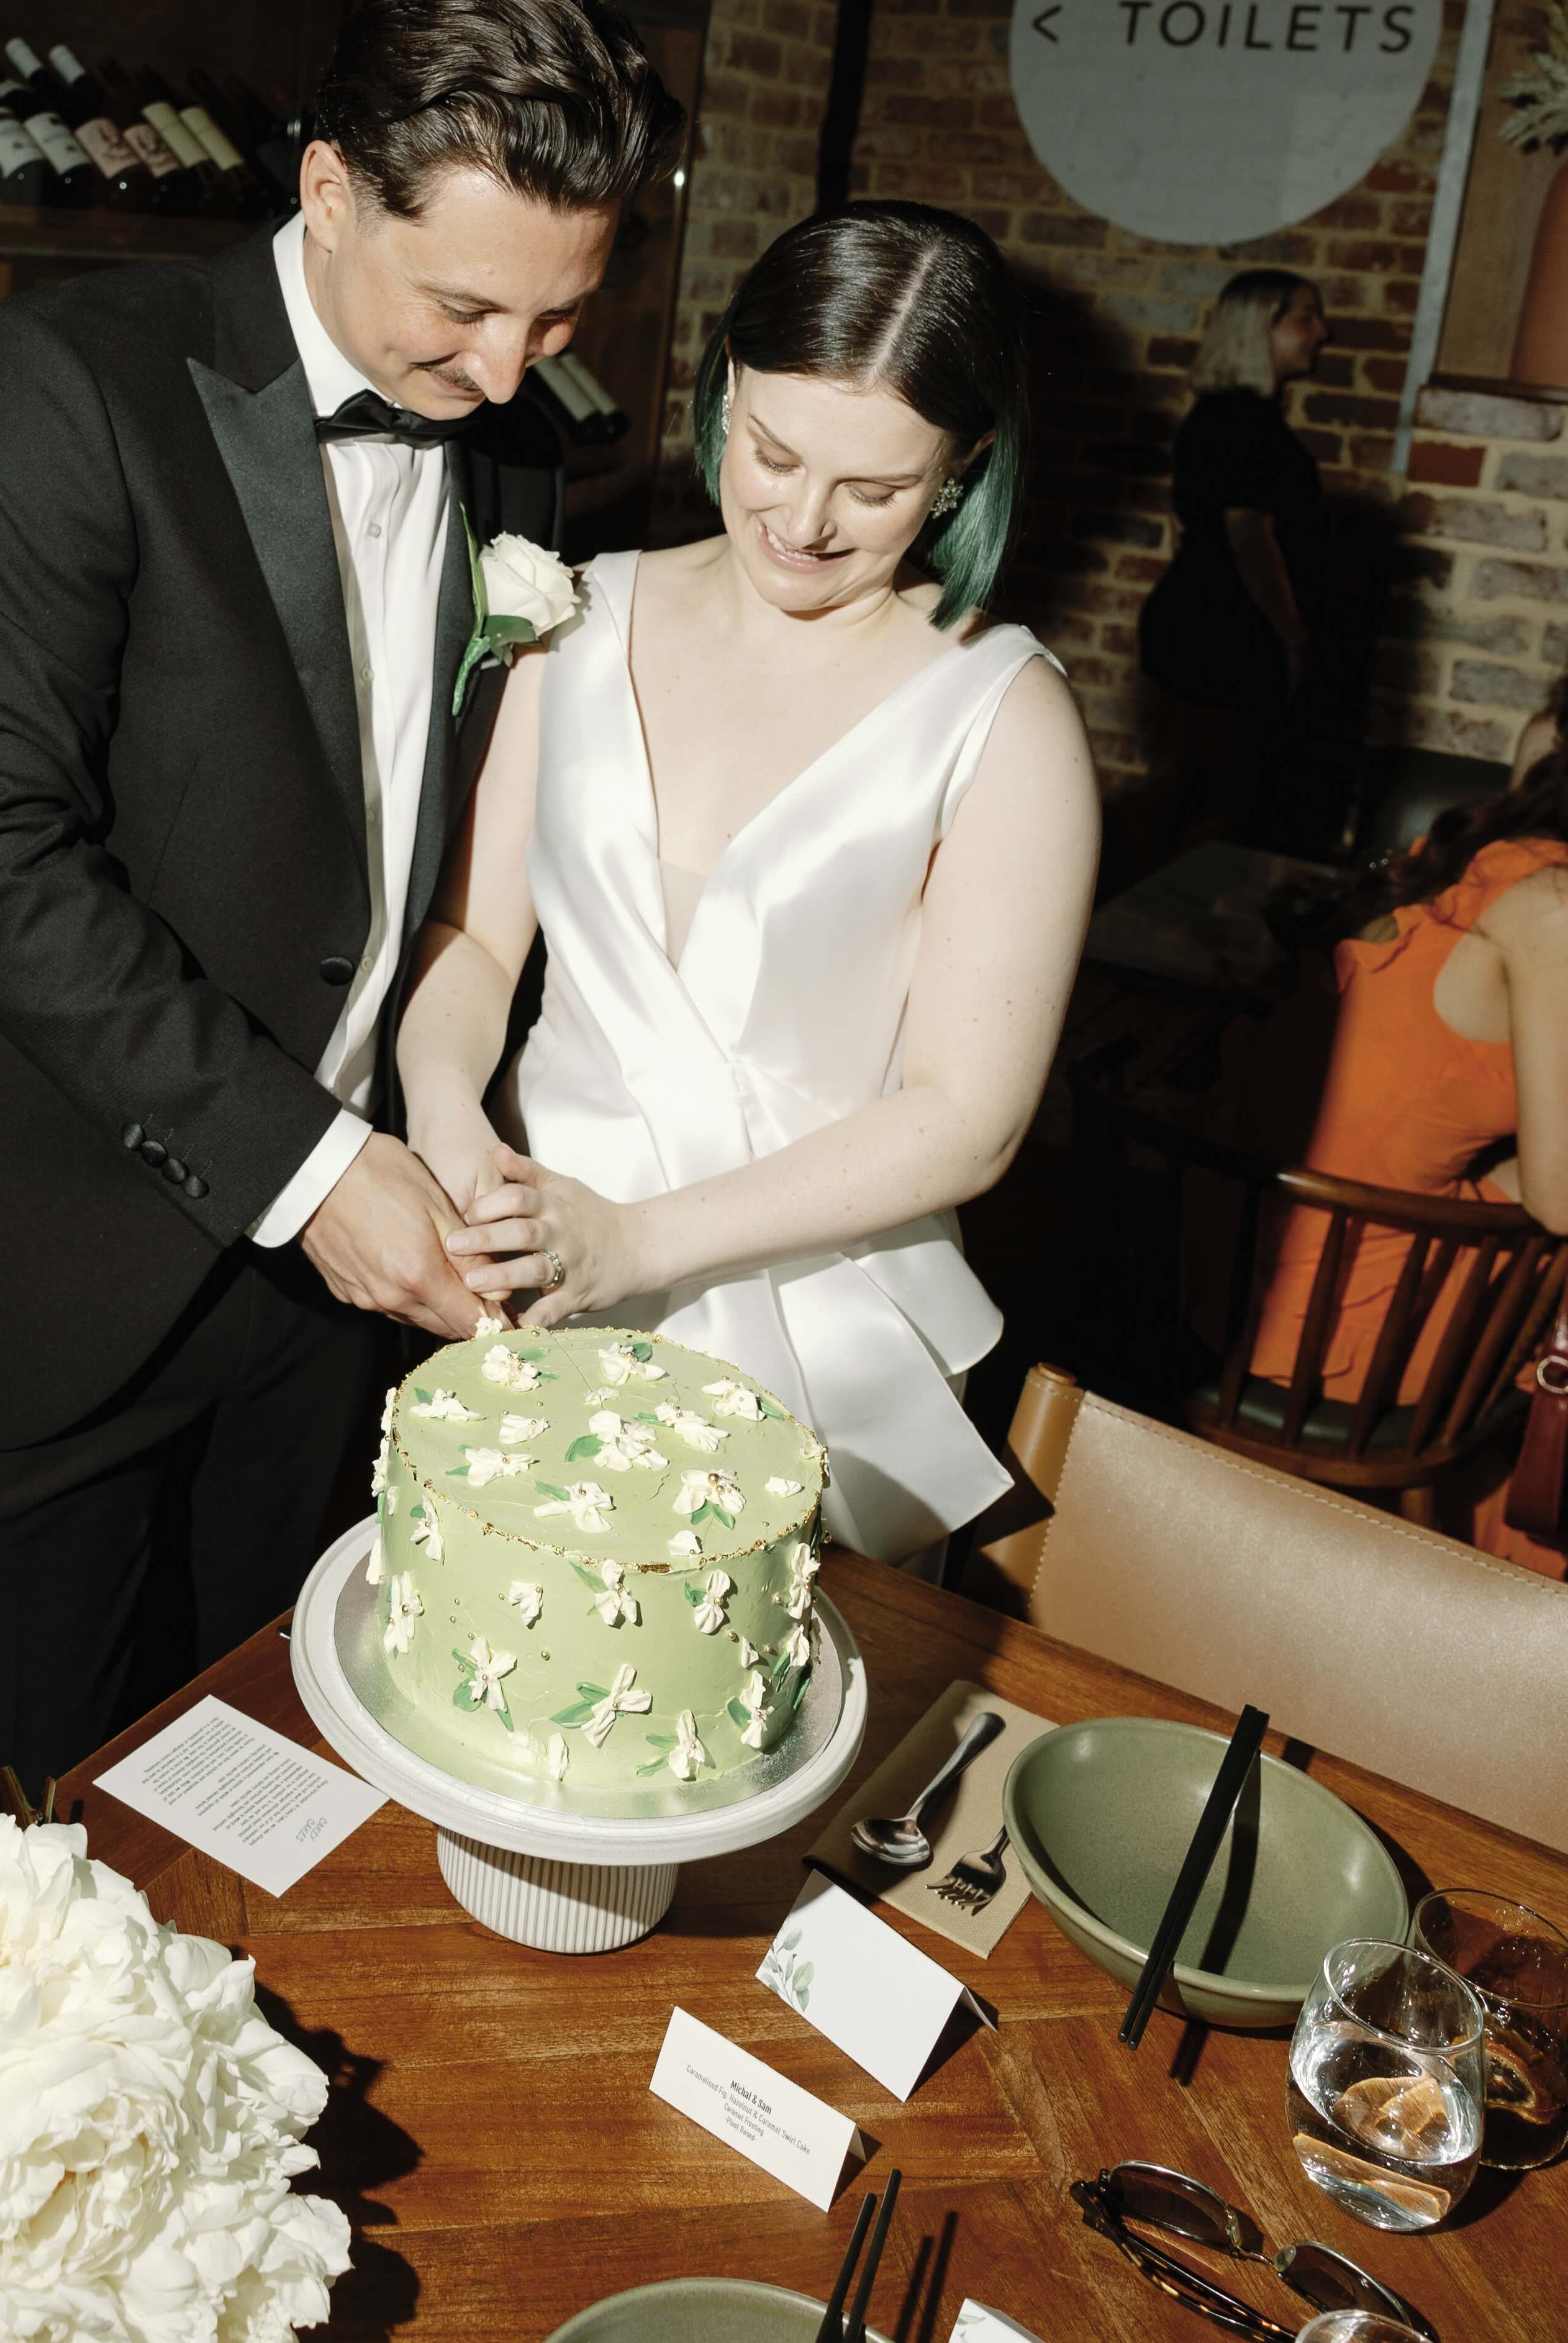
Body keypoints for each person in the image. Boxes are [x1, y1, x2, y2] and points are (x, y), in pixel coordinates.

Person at [0, 0, 684, 1841]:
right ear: (328, 188)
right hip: (45, 1248)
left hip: (316, 1302)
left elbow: (409, 829)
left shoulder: (505, 436)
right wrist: (314, 1172)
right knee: (1, 1831)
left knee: (251, 1772)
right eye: (466, 303)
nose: (512, 374)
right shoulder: (56, 390)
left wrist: (419, 1117)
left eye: (560, 313)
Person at [394, 203, 1102, 1564]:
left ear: (959, 472)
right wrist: (446, 1116)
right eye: (772, 452)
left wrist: (640, 1240)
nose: (807, 519)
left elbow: (968, 1118)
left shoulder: (1001, 715)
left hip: (820, 1311)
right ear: (725, 387)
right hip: (534, 1267)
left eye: (878, 488)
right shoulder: (575, 619)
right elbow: (474, 942)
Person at [1239, 747, 1568, 1579]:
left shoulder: (1496, 856)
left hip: (1239, 1240)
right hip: (1325, 1321)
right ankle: (1495, 1594)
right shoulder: (1552, 908)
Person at [1133, 268, 1328, 857]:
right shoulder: (1244, 423)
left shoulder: (1222, 416)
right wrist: (1292, 635)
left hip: (1201, 623)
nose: (1322, 331)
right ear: (1258, 328)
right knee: (1221, 808)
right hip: (1226, 633)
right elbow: (1247, 534)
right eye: (1304, 317)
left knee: (1190, 797)